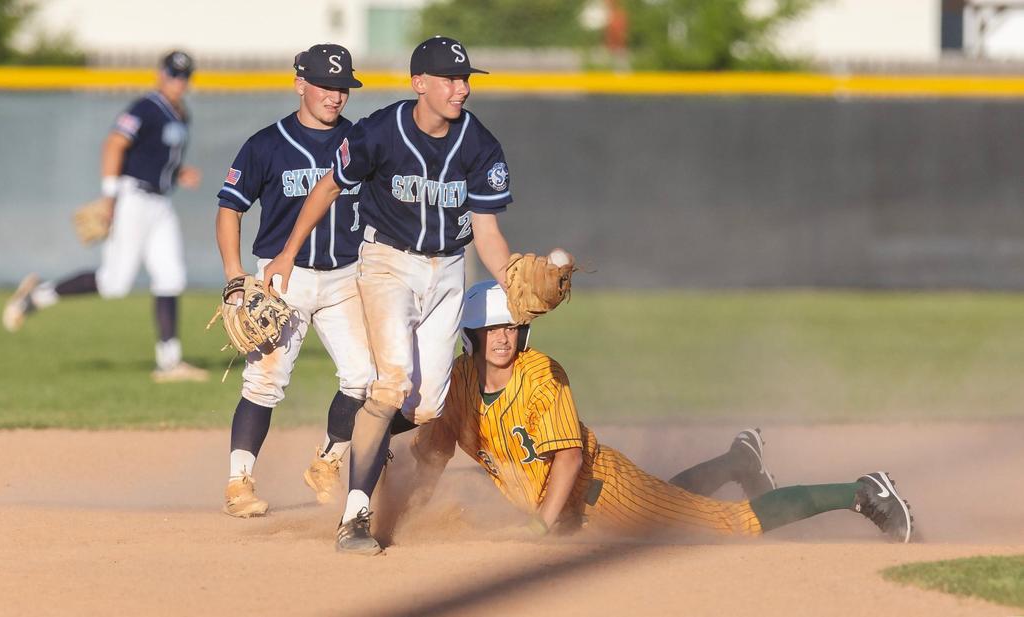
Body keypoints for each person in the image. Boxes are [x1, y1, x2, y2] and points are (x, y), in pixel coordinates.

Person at [406, 281, 916, 543]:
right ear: (470, 338)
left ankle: (863, 490)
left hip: (601, 491)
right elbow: (436, 448)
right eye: (491, 329)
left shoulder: (542, 375)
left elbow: (565, 461)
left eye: (511, 327)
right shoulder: (459, 383)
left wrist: (541, 525)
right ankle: (739, 461)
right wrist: (410, 506)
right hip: (575, 510)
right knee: (670, 507)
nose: (503, 337)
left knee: (728, 525)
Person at [261, 36, 517, 554]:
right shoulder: (380, 131)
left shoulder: (478, 141)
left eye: (465, 79)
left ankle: (348, 445)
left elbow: (486, 232)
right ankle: (354, 517)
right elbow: (328, 187)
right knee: (389, 384)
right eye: (450, 78)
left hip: (448, 270)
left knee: (424, 408)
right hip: (386, 263)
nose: (461, 88)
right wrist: (288, 253)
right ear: (419, 83)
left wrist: (511, 276)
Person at [214, 44, 372, 517]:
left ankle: (328, 460)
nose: (335, 95)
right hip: (284, 280)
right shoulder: (267, 144)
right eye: (326, 84)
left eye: (343, 87)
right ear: (300, 82)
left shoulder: (362, 141)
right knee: (264, 383)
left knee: (363, 377)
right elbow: (229, 208)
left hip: (347, 276)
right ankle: (238, 482)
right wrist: (235, 277)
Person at [3, 50, 207, 383]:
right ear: (160, 74)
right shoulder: (146, 107)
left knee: (171, 276)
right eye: (173, 74)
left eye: (184, 76)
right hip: (132, 198)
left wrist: (178, 172)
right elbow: (114, 145)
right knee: (114, 283)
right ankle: (37, 295)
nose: (178, 82)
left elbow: (155, 156)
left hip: (161, 203)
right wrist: (110, 196)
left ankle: (169, 363)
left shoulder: (182, 115)